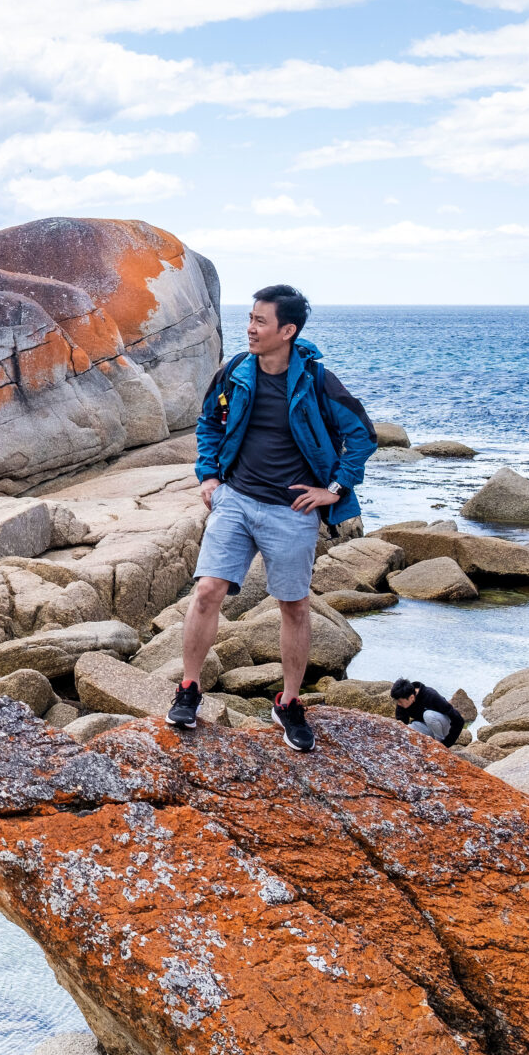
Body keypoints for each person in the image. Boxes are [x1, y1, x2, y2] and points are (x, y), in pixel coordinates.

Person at [167, 285, 375, 752]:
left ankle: (290, 703)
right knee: (206, 591)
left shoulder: (317, 381)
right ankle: (189, 689)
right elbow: (209, 423)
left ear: (288, 330)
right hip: (236, 500)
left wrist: (334, 490)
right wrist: (208, 477)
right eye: (250, 318)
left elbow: (362, 435)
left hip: (292, 510)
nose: (250, 328)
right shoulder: (237, 371)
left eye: (260, 321)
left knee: (294, 607)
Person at [391, 678, 467, 746]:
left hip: (443, 726)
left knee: (428, 715)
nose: (398, 704)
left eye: (400, 701)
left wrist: (447, 743)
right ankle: (428, 744)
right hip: (427, 726)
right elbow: (402, 724)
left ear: (411, 697)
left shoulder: (431, 695)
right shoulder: (403, 701)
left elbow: (459, 720)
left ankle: (439, 743)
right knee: (408, 729)